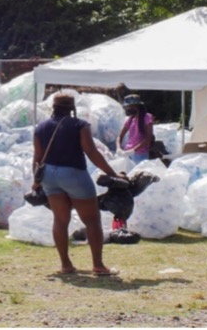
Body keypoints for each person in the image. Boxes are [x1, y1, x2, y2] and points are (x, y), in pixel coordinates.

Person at [34, 94, 120, 276]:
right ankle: (98, 265)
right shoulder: (80, 125)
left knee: (60, 220)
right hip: (73, 173)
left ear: (52, 108)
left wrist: (36, 182)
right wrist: (112, 173)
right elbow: (91, 152)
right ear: (72, 108)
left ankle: (66, 265)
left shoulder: (40, 127)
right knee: (92, 220)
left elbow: (37, 157)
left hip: (49, 175)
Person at [116, 94, 154, 164]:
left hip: (140, 154)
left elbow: (149, 138)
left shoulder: (147, 117)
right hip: (128, 153)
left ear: (136, 106)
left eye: (129, 107)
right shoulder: (130, 119)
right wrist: (118, 148)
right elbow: (120, 136)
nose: (127, 109)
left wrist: (133, 150)